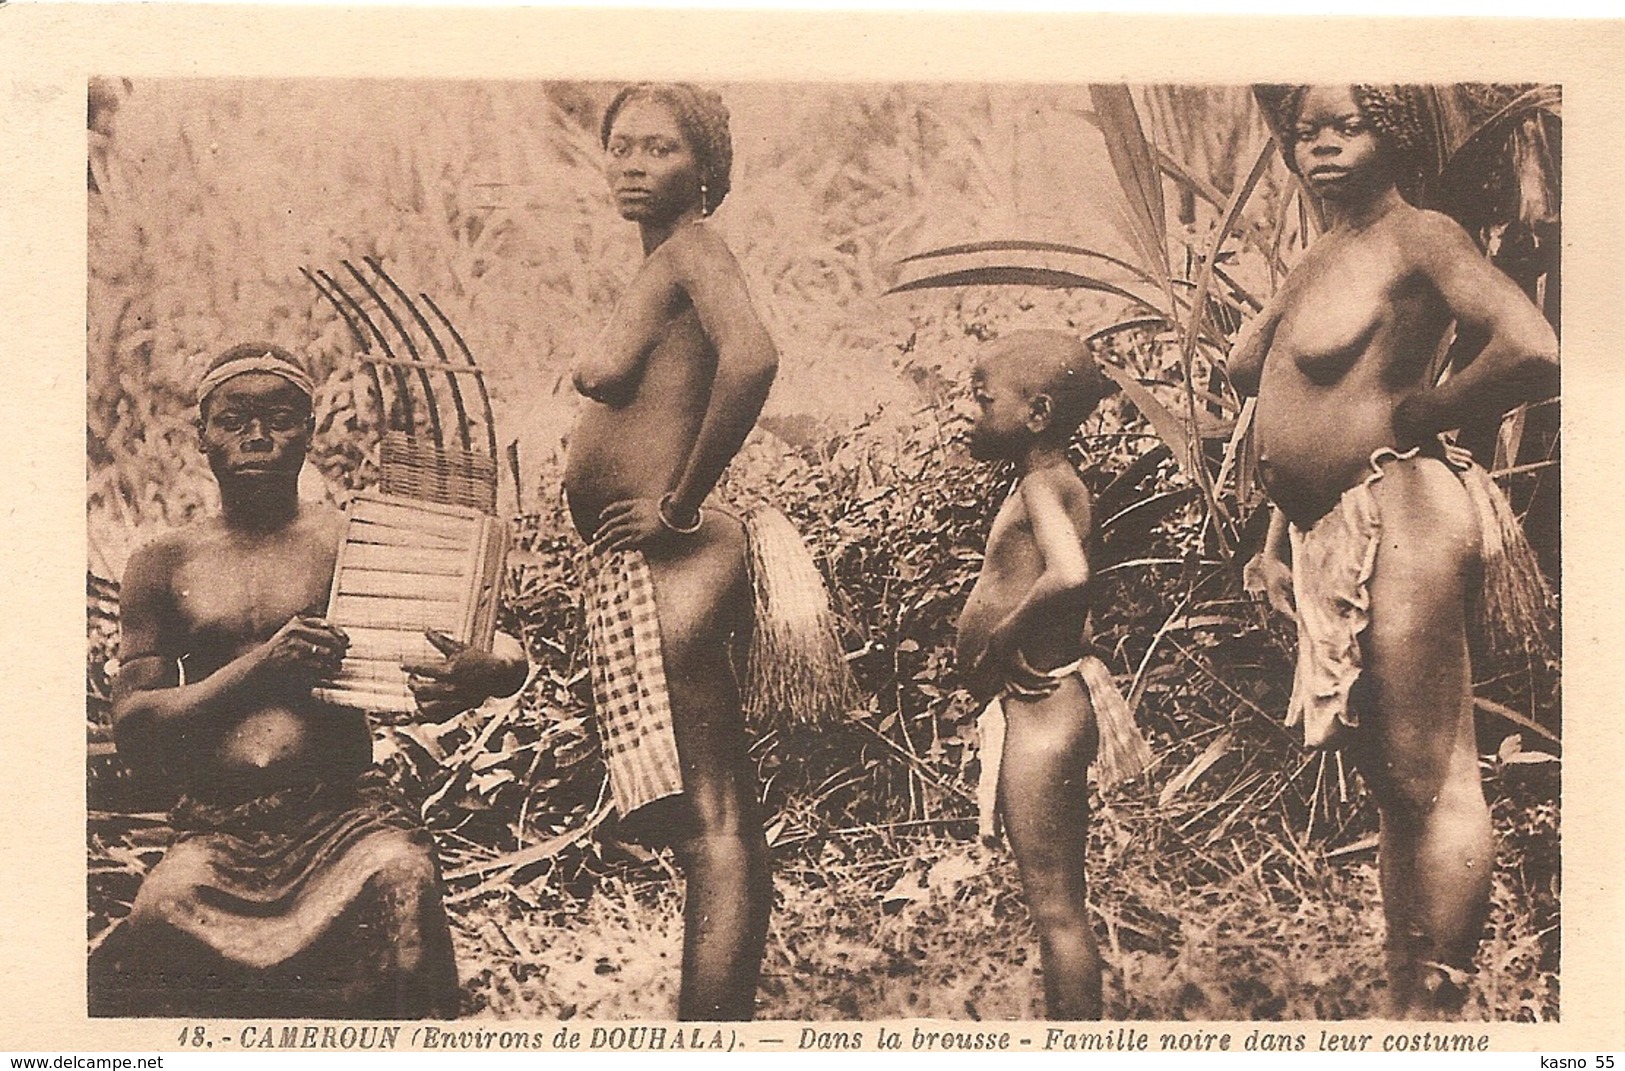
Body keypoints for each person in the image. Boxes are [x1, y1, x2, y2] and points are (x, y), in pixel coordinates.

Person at [1230, 85, 1560, 1018]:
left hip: (1401, 510)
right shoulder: (1319, 253)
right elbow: (1280, 397)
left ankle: (1439, 1013)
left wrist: (1429, 411)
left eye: (1346, 127)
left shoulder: (1425, 237)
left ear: (1398, 134)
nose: (1319, 147)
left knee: (1432, 770)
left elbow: (1530, 345)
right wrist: (1273, 536)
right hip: (1323, 528)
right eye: (1304, 133)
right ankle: (1404, 995)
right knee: (1389, 779)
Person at [90, 343, 527, 1018]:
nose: (257, 435)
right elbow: (134, 728)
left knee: (402, 883)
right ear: (201, 433)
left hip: (345, 817)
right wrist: (258, 669)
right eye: (235, 418)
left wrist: (484, 670)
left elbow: (490, 645)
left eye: (281, 417)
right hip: (217, 829)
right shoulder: (162, 562)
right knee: (161, 913)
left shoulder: (351, 539)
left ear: (310, 429)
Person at [563, 83, 779, 1021]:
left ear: (705, 168)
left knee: (716, 812)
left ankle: (712, 1030)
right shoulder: (665, 263)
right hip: (644, 568)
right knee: (705, 810)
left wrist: (681, 505)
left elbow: (755, 358)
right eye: (621, 149)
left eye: (659, 150)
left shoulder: (694, 249)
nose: (634, 167)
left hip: (677, 559)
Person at [956, 330, 1133, 1020]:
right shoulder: (1055, 482)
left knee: (1057, 909)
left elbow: (1070, 573)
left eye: (981, 398)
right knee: (1056, 904)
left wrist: (1003, 634)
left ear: (1036, 414)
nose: (968, 411)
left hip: (1041, 713)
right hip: (1042, 705)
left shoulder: (1038, 484)